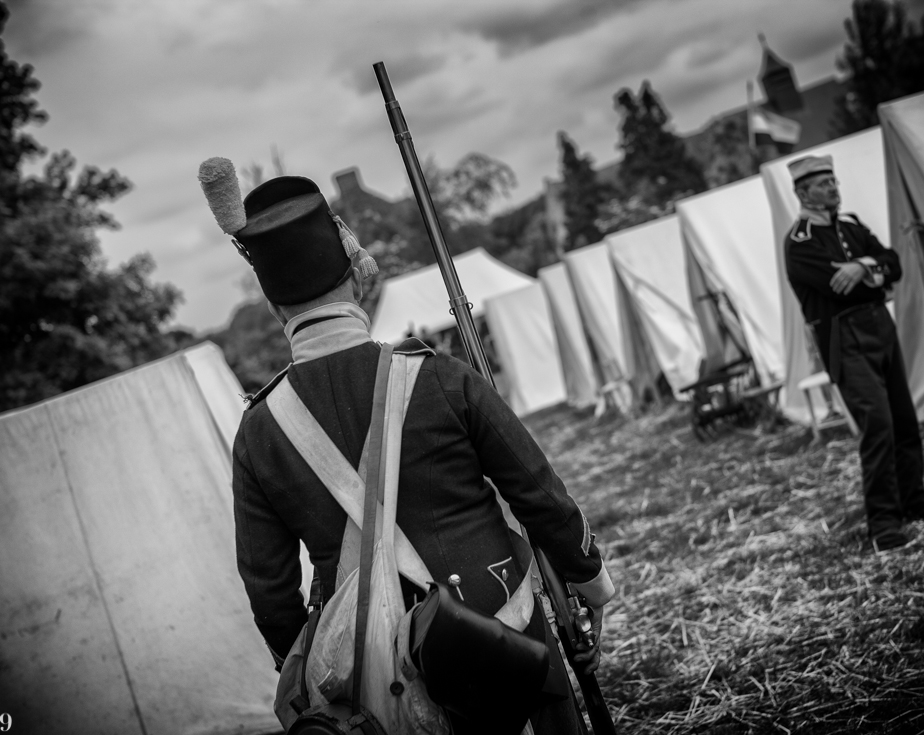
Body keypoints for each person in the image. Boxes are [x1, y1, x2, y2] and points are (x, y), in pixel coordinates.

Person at [200, 166, 614, 734]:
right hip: (503, 632)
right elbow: (538, 494)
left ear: (274, 307)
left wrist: (320, 670)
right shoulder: (440, 376)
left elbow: (269, 591)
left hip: (368, 684)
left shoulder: (259, 432)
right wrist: (590, 584)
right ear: (356, 276)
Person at [783, 155, 924, 551]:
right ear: (803, 193)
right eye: (823, 183)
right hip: (844, 337)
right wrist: (873, 273)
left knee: (904, 420)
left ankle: (915, 500)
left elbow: (894, 264)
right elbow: (838, 287)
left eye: (833, 180)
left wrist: (862, 266)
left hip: (880, 328)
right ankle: (884, 523)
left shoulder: (852, 227)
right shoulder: (799, 242)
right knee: (878, 426)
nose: (833, 187)